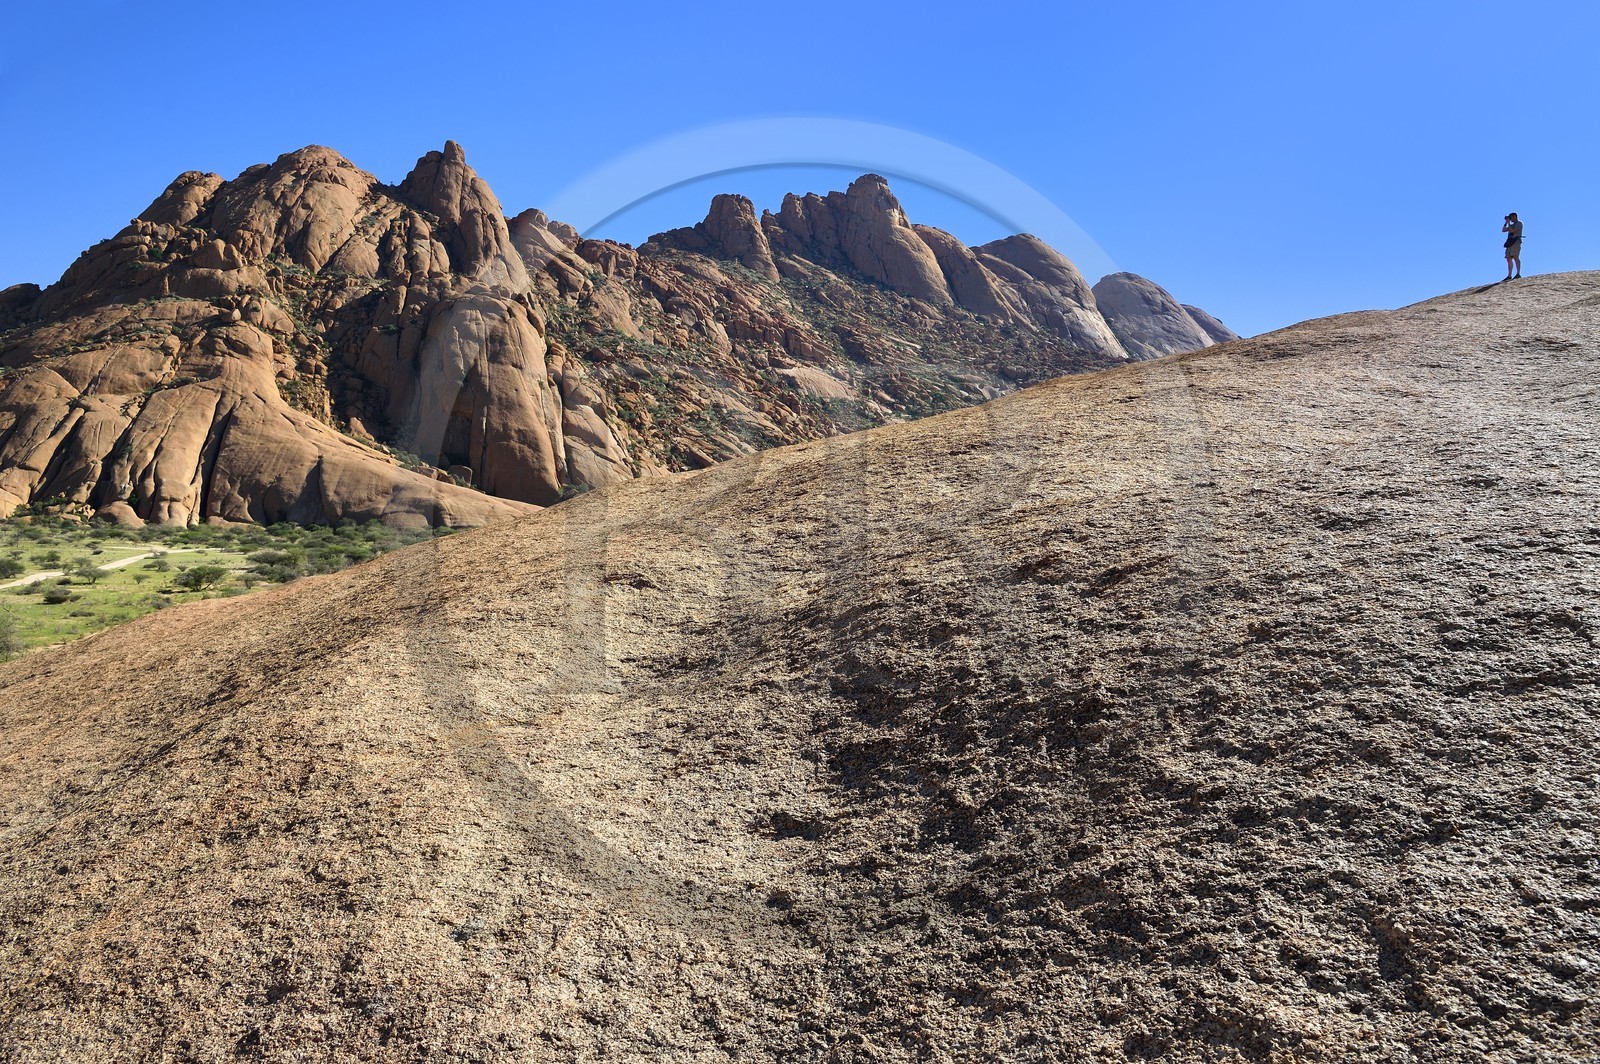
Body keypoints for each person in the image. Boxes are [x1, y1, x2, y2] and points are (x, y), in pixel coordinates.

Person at [1502, 212, 1523, 279]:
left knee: (1515, 256)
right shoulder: (1512, 224)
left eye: (1511, 217)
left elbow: (1512, 231)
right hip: (1510, 242)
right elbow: (1503, 230)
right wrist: (1506, 223)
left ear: (1515, 216)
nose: (1510, 219)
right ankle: (1509, 275)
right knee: (1508, 258)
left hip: (1516, 241)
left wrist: (1508, 223)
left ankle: (1518, 273)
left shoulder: (1519, 223)